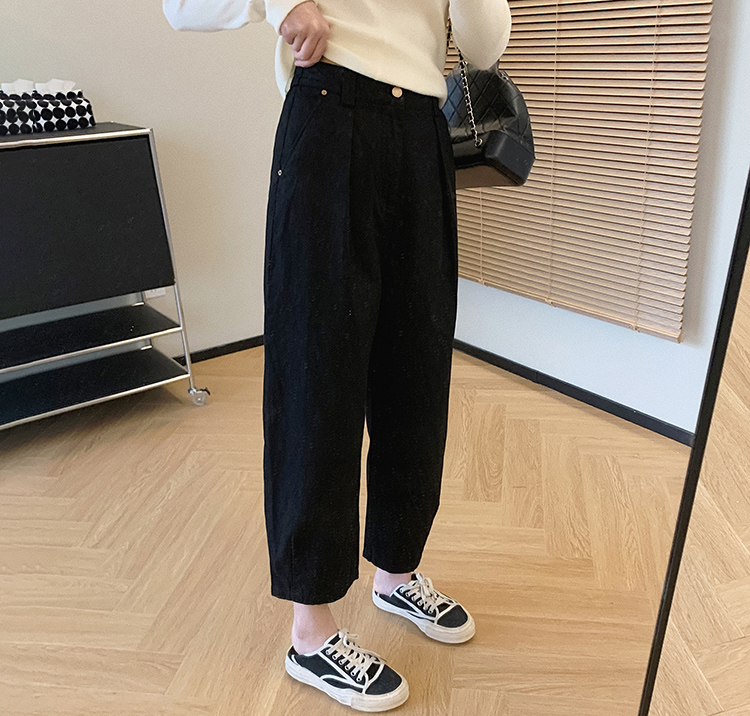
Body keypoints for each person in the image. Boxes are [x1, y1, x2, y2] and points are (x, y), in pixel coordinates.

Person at [164, 0, 512, 711]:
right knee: (316, 375)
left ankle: (396, 572)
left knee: (418, 372)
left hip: (423, 130)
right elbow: (181, 7)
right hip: (329, 112)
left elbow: (485, 45)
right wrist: (282, 5)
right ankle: (311, 630)